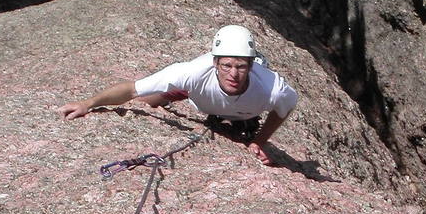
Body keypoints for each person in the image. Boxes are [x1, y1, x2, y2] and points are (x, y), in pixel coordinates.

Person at [58, 25, 298, 165]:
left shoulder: (272, 87)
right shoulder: (192, 72)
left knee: (242, 124)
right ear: (214, 62)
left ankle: (244, 122)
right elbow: (132, 89)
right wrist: (88, 103)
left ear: (252, 65)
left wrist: (260, 141)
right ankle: (175, 97)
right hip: (196, 94)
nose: (233, 74)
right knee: (147, 101)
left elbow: (283, 109)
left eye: (241, 67)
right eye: (226, 66)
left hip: (245, 111)